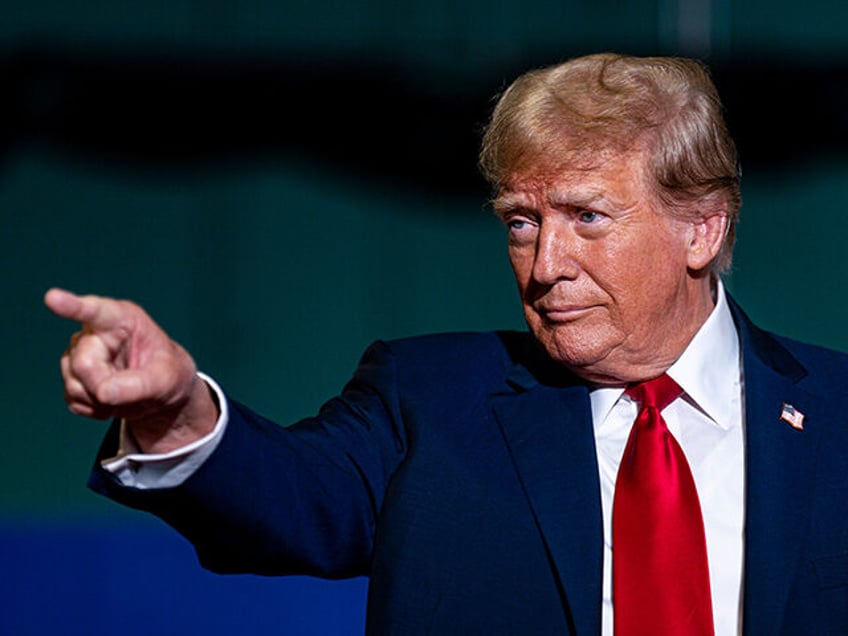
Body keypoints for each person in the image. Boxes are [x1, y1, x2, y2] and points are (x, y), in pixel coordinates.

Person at [45, 53, 848, 635]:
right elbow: (289, 500)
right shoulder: (428, 399)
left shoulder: (837, 416)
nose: (544, 266)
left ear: (701, 229)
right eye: (522, 223)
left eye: (587, 217)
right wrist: (176, 410)